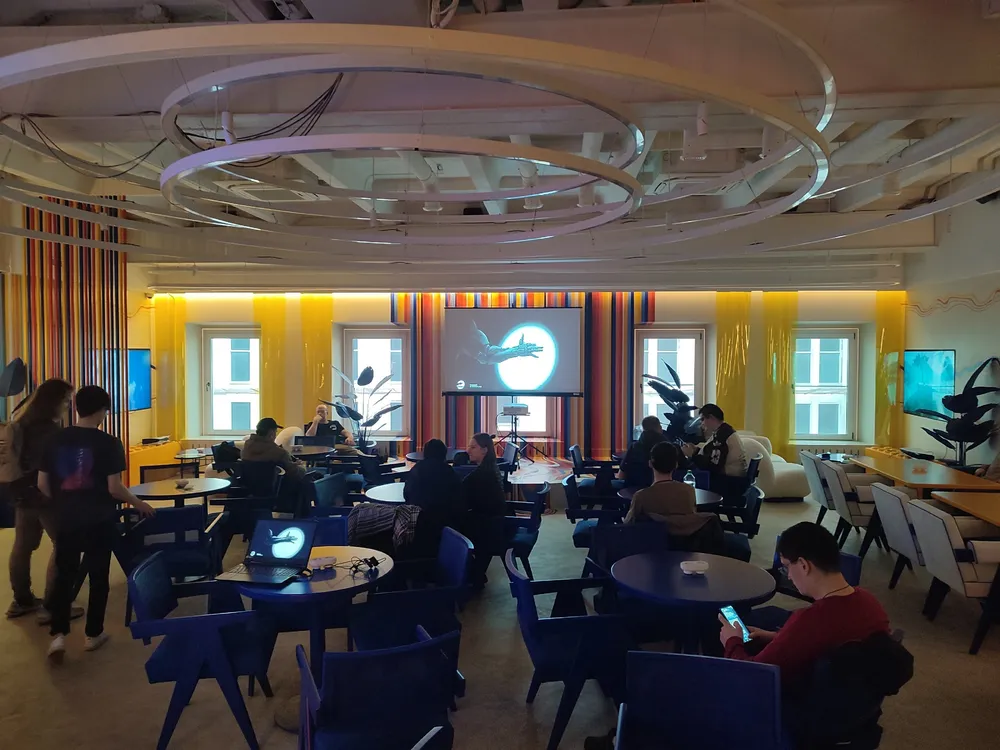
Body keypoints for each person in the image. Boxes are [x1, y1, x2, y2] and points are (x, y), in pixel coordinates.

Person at [39, 385, 155, 662]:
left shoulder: (54, 440)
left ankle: (58, 635)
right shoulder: (109, 443)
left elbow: (42, 484)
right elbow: (114, 488)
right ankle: (93, 634)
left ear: (77, 408)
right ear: (103, 411)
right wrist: (139, 504)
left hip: (66, 519)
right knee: (98, 576)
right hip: (99, 519)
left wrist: (62, 504)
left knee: (64, 575)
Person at [719, 522, 890, 688]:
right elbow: (820, 641)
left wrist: (732, 641)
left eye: (786, 567)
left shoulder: (811, 620)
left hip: (801, 699)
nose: (789, 576)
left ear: (803, 565)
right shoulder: (870, 602)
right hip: (849, 695)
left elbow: (754, 675)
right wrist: (777, 637)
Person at [4, 379, 84, 623]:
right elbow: (53, 469)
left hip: (21, 492)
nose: (68, 406)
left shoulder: (20, 423)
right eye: (66, 401)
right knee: (64, 545)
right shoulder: (49, 432)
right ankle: (53, 606)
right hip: (46, 496)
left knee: (23, 546)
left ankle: (22, 600)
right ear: (54, 402)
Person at [624, 442, 716, 540]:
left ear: (650, 463)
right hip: (686, 546)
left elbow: (627, 527)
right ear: (676, 465)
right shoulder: (688, 491)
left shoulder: (641, 497)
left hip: (651, 546)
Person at [461, 432, 507, 588]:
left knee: (448, 528)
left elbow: (463, 497)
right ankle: (475, 573)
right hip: (493, 522)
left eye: (473, 447)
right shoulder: (490, 468)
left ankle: (470, 574)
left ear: (484, 450)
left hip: (490, 527)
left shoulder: (482, 475)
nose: (468, 450)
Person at [404, 439, 464, 555]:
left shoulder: (417, 469)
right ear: (444, 454)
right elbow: (459, 501)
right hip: (446, 527)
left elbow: (407, 494)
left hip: (417, 524)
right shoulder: (450, 472)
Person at [681, 403, 748, 501]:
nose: (702, 423)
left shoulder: (722, 436)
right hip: (734, 480)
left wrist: (692, 455)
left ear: (711, 417)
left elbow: (713, 467)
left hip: (729, 483)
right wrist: (696, 450)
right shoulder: (724, 431)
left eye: (703, 419)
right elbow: (713, 455)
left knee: (689, 478)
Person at [241, 417, 306, 481]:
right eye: (275, 432)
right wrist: (301, 466)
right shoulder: (280, 453)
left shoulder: (246, 448)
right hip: (276, 486)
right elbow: (295, 474)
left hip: (249, 486)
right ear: (271, 433)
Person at [617, 415, 665, 488]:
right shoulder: (668, 447)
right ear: (660, 428)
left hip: (633, 489)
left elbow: (621, 475)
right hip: (661, 489)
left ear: (643, 429)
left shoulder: (634, 447)